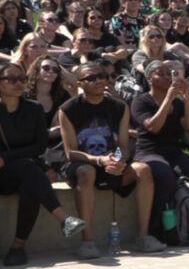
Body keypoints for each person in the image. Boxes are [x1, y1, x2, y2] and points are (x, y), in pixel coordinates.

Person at [0, 62, 87, 265]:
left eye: (22, 79)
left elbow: (40, 146)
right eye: (11, 79)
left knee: (31, 181)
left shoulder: (34, 108)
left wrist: (11, 157)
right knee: (31, 169)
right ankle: (62, 218)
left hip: (27, 169)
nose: (18, 83)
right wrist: (12, 158)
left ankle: (18, 247)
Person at [60, 61, 162, 257]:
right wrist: (100, 161)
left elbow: (124, 146)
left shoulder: (118, 106)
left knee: (144, 169)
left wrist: (117, 160)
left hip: (111, 162)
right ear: (80, 83)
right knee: (86, 172)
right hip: (84, 163)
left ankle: (143, 237)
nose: (99, 81)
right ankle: (87, 242)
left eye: (102, 76)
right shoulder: (69, 109)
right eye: (91, 78)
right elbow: (70, 152)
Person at [130, 59, 189, 245]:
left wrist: (186, 98)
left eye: (169, 73)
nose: (166, 77)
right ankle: (155, 232)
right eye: (160, 73)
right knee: (165, 178)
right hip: (149, 152)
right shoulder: (141, 101)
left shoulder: (178, 104)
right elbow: (153, 127)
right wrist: (168, 99)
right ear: (149, 78)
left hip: (173, 152)